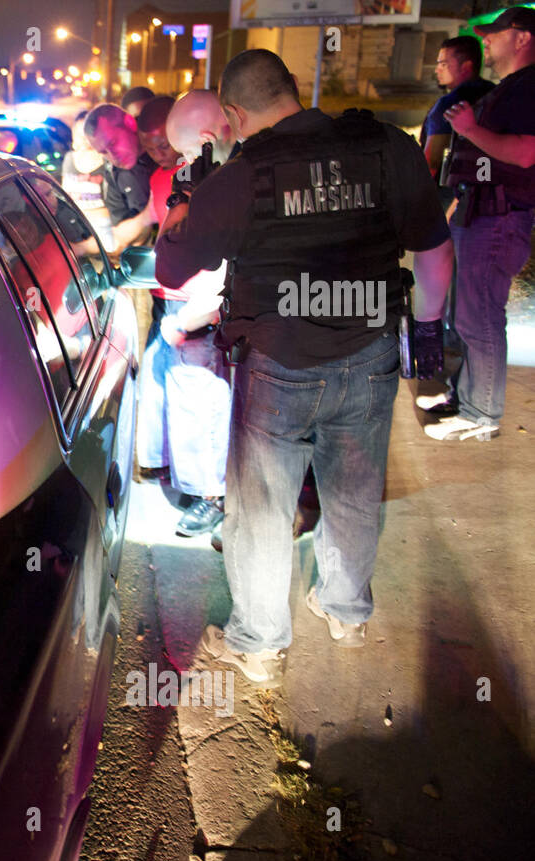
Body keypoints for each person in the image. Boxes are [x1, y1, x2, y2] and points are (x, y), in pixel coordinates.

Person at [156, 49, 454, 684]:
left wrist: (187, 197)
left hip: (279, 365)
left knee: (262, 508)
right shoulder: (384, 147)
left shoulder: (239, 177)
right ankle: (347, 611)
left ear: (231, 115)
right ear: (292, 90)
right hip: (372, 354)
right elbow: (433, 251)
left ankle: (260, 644)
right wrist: (426, 333)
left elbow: (172, 270)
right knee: (353, 489)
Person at [423, 8, 535, 441]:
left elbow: (526, 153)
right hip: (479, 212)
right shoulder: (512, 88)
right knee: (466, 315)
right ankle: (463, 394)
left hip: (499, 218)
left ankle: (481, 411)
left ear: (522, 38)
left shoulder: (528, 89)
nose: (485, 39)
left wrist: (469, 129)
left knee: (480, 318)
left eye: (495, 33)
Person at [131, 93, 232, 536]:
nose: (172, 157)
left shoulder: (221, 181)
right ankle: (188, 477)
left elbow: (222, 263)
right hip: (178, 299)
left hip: (199, 306)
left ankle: (213, 495)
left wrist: (190, 317)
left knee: (201, 403)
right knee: (175, 394)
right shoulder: (184, 180)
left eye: (179, 148)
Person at [421, 35, 494, 184]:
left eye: (443, 64)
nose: (437, 70)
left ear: (466, 67)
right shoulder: (495, 93)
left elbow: (431, 162)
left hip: (452, 193)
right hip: (493, 189)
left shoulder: (448, 104)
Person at [84, 104, 157, 251]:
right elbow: (120, 234)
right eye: (103, 152)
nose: (112, 156)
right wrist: (149, 214)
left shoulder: (165, 145)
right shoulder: (113, 173)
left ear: (130, 123)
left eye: (113, 143)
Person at [61, 111, 112, 246]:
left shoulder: (108, 161)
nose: (83, 138)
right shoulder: (69, 159)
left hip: (104, 232)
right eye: (79, 134)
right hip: (76, 232)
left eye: (86, 133)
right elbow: (65, 198)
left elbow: (114, 205)